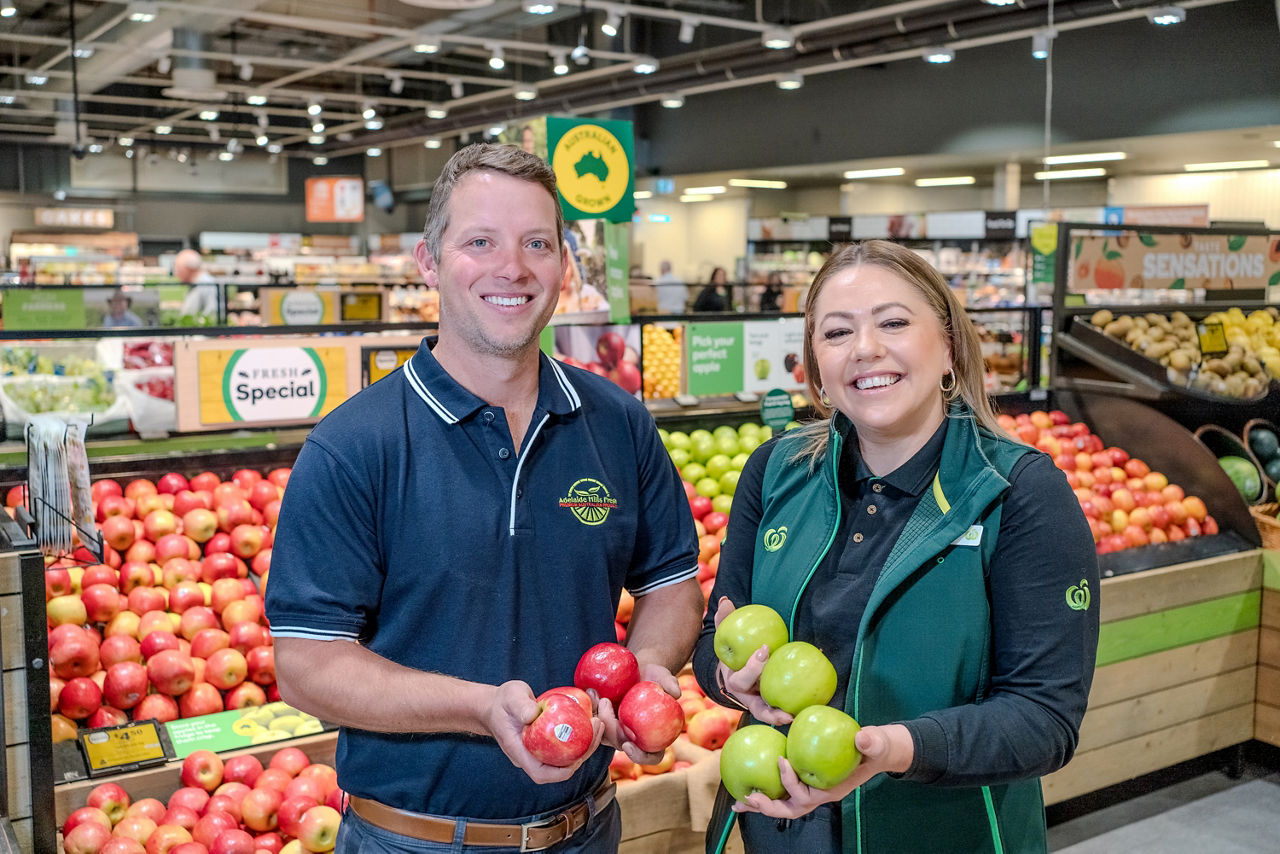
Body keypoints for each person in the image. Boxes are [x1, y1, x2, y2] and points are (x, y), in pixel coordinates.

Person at [265, 143, 705, 854]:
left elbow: (672, 584)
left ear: (565, 267)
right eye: (480, 242)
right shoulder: (354, 446)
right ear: (429, 263)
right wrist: (479, 710)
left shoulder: (617, 423)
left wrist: (643, 673)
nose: (513, 268)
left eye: (538, 243)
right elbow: (308, 666)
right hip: (413, 840)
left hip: (587, 829)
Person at [694, 239, 1099, 853]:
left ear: (949, 348)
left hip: (946, 832)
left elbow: (1044, 720)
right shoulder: (774, 472)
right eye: (837, 332)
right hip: (780, 829)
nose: (865, 349)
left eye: (893, 323)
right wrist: (731, 680)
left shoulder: (1018, 493)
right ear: (816, 368)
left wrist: (891, 750)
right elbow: (713, 637)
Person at [174, 248, 219, 320]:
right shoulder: (195, 284)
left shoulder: (206, 284)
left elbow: (211, 315)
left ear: (189, 268)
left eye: (178, 269)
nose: (176, 274)